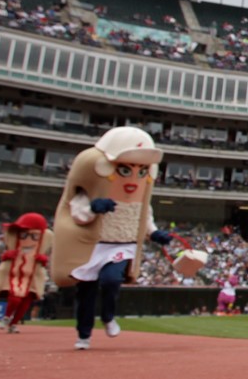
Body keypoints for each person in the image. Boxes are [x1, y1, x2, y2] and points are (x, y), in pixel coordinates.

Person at [51, 126, 173, 350]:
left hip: (121, 246)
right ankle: (84, 335)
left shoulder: (140, 201)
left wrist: (155, 233)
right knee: (86, 293)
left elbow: (145, 220)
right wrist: (93, 208)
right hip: (92, 246)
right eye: (125, 170)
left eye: (141, 171)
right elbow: (77, 215)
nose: (133, 178)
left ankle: (108, 316)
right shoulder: (88, 194)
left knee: (111, 279)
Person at [0, 212, 53, 333]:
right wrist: (8, 255)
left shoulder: (39, 250)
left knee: (26, 302)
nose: (28, 240)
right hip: (15, 274)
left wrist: (42, 260)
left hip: (31, 277)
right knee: (15, 298)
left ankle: (13, 323)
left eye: (33, 236)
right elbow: (5, 255)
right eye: (24, 235)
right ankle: (7, 317)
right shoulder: (15, 248)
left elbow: (44, 260)